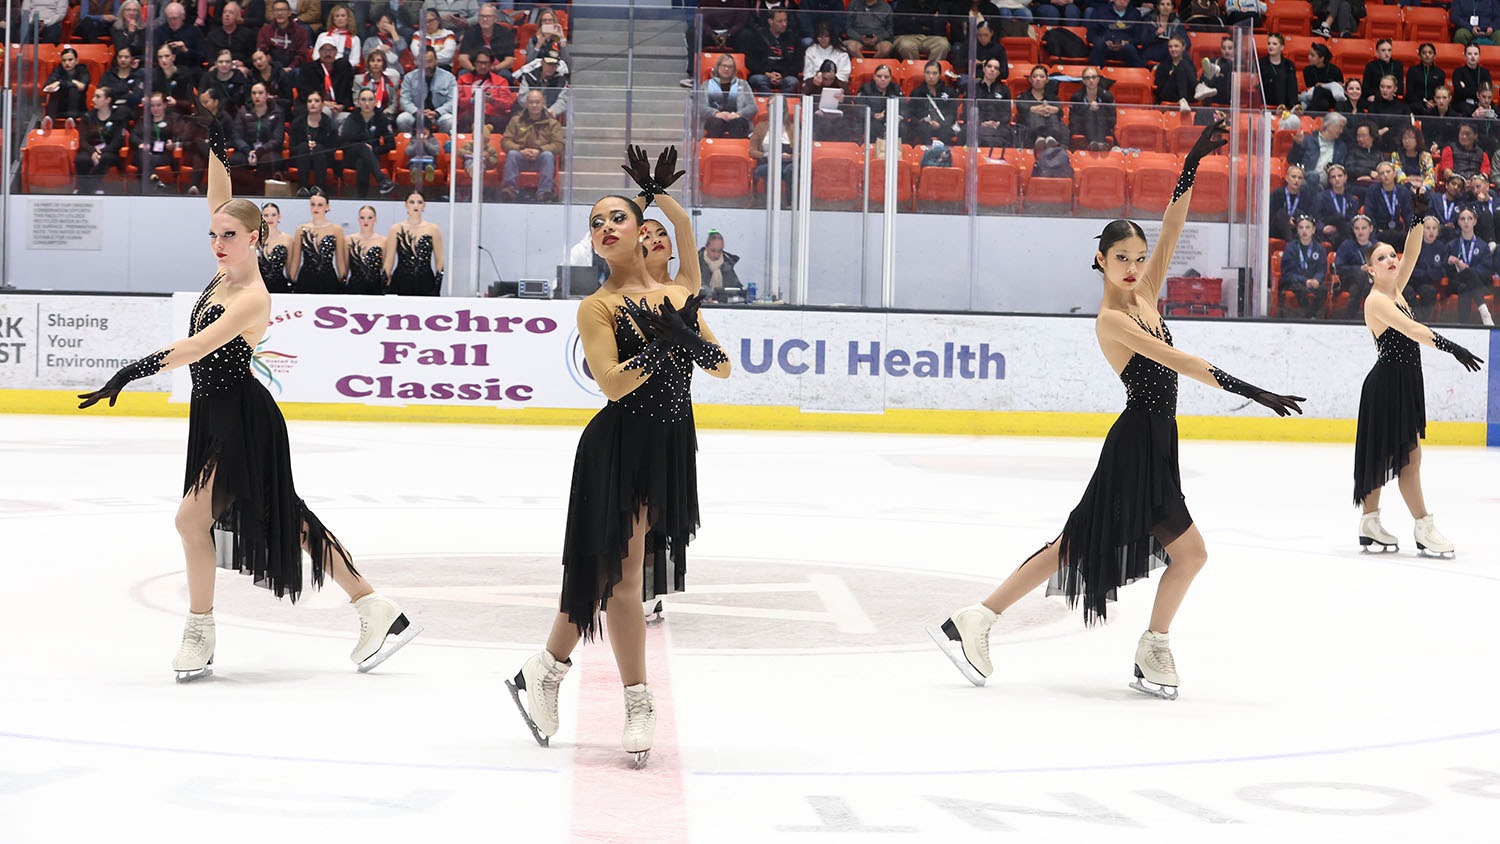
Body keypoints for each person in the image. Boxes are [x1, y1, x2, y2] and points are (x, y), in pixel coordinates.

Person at [927, 121, 1305, 700]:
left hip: (1158, 443)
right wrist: (1256, 392)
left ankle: (1147, 644)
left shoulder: (1147, 294)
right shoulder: (1112, 320)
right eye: (1121, 258)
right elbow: (1181, 362)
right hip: (1134, 444)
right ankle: (980, 619)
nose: (1133, 266)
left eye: (1138, 257)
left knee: (1182, 552)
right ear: (1100, 261)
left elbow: (1173, 226)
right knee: (1080, 543)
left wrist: (1191, 165)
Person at [76, 93, 420, 682]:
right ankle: (375, 607)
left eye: (229, 236)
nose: (217, 241)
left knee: (194, 519)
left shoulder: (251, 297)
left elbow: (191, 350)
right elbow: (220, 200)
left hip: (242, 419)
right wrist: (214, 148)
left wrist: (129, 371)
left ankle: (200, 631)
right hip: (214, 413)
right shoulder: (222, 269)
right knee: (287, 518)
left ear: (255, 239)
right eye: (213, 235)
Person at [504, 160, 732, 767]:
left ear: (640, 228)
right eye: (596, 220)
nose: (606, 225)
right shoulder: (597, 307)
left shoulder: (681, 290)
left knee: (604, 574)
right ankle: (637, 699)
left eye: (619, 217)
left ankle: (545, 670)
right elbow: (609, 384)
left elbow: (721, 366)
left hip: (671, 447)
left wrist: (658, 196)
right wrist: (661, 345)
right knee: (624, 578)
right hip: (618, 446)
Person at [1353, 214, 1485, 557]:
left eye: (1390, 255)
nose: (1390, 260)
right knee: (1408, 457)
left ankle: (1370, 522)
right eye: (1380, 258)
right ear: (1370, 270)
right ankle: (1424, 526)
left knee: (1387, 453)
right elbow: (1412, 330)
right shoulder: (1377, 301)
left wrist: (1415, 216)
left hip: (1403, 383)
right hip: (1387, 385)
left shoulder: (1393, 290)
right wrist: (1451, 347)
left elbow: (1411, 253)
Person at [499, 89, 564, 202]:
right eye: (531, 102)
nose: (534, 105)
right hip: (520, 156)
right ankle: (510, 190)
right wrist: (520, 149)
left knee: (548, 155)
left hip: (541, 157)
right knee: (512, 154)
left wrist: (540, 150)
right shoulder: (516, 121)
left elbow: (558, 145)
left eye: (537, 102)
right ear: (526, 104)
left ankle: (545, 192)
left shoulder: (553, 123)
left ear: (543, 103)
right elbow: (506, 141)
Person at [340, 88, 399, 197]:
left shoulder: (381, 118)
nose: (367, 103)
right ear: (358, 102)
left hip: (372, 157)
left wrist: (374, 150)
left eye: (370, 100)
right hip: (351, 156)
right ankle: (382, 180)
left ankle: (362, 198)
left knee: (362, 163)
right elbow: (343, 143)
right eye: (363, 100)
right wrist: (361, 146)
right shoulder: (352, 118)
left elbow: (391, 144)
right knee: (362, 148)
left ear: (375, 102)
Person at [384, 191, 445, 295]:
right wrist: (385, 284)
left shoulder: (433, 229)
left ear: (424, 205)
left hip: (426, 281)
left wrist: (437, 284)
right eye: (412, 202)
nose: (415, 205)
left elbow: (439, 260)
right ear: (406, 204)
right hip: (401, 281)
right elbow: (389, 260)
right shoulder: (396, 229)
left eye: (419, 202)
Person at [288, 190, 346, 292]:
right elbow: (295, 261)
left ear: (327, 207)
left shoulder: (336, 230)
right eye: (313, 204)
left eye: (320, 205)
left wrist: (343, 281)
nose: (316, 208)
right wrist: (291, 282)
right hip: (306, 278)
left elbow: (340, 260)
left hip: (328, 279)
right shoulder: (301, 230)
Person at [1443, 207, 1494, 322]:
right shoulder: (1451, 245)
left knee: (1465, 288)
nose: (1466, 222)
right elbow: (1445, 270)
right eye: (1462, 219)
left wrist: (1468, 270)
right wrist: (1448, 260)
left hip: (1477, 284)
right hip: (1457, 283)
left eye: (1470, 218)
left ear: (1475, 221)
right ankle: (1483, 309)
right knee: (1463, 283)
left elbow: (1486, 270)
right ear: (1458, 222)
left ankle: (1462, 325)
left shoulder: (1483, 246)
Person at [75, 88, 129, 195]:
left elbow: (117, 142)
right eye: (94, 96)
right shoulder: (88, 117)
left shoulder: (118, 117)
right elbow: (82, 139)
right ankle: (83, 188)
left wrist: (101, 151)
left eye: (98, 97)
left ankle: (87, 189)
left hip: (110, 151)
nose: (93, 99)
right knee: (81, 159)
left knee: (106, 158)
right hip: (91, 150)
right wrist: (92, 151)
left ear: (108, 100)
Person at [1279, 213, 1330, 318]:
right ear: (1297, 230)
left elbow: (1322, 269)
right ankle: (1308, 318)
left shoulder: (1319, 249)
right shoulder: (1290, 248)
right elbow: (1288, 272)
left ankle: (1312, 316)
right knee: (1301, 290)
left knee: (1323, 290)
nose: (1304, 231)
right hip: (1295, 282)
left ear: (1314, 230)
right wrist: (1304, 280)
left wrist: (1316, 279)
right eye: (1301, 227)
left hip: (1313, 281)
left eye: (1307, 227)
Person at [397, 46, 458, 133]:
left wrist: (437, 112)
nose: (426, 65)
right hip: (415, 114)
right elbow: (404, 100)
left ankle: (444, 145)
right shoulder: (409, 78)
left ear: (436, 61)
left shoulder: (449, 78)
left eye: (429, 61)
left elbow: (452, 101)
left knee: (449, 121)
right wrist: (416, 112)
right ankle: (409, 145)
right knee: (402, 119)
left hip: (439, 115)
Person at [455, 48, 516, 133]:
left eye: (486, 63)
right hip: (469, 117)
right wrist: (471, 100)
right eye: (480, 63)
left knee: (500, 121)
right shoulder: (463, 79)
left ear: (491, 64)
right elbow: (457, 101)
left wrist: (493, 100)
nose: (483, 66)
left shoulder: (501, 81)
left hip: (493, 118)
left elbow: (508, 103)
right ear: (474, 63)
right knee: (465, 119)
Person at [698, 53, 757, 139]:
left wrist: (738, 114)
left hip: (737, 119)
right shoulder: (706, 84)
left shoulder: (743, 84)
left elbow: (752, 107)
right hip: (715, 119)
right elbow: (700, 106)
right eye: (724, 66)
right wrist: (715, 113)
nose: (726, 69)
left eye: (730, 67)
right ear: (718, 67)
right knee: (715, 123)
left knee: (738, 123)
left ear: (734, 69)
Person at [751, 98, 798, 204]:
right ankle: (767, 203)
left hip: (788, 162)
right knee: (766, 170)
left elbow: (802, 152)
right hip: (768, 161)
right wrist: (766, 154)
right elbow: (752, 150)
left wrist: (790, 156)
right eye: (770, 106)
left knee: (790, 170)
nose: (772, 108)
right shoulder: (760, 126)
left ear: (783, 108)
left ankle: (791, 203)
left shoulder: (793, 128)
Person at [903, 59, 960, 146]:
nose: (931, 76)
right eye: (928, 73)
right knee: (919, 130)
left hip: (944, 126)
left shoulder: (949, 92)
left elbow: (952, 114)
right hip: (923, 127)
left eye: (934, 73)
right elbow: (911, 114)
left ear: (940, 75)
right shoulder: (917, 92)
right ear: (924, 74)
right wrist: (923, 122)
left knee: (946, 133)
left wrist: (940, 124)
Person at [746, 8, 802, 94]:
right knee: (760, 80)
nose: (784, 24)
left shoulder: (793, 38)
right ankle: (767, 105)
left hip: (785, 75)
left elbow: (797, 64)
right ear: (770, 21)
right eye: (780, 21)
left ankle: (784, 106)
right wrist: (767, 74)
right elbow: (751, 62)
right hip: (763, 74)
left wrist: (782, 75)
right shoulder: (758, 37)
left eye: (785, 20)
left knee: (792, 82)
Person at [1334, 214, 1378, 316]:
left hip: (1372, 281)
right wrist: (1358, 269)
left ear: (1370, 229)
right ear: (1353, 230)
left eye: (1364, 228)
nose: (1360, 231)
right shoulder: (1346, 245)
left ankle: (1351, 317)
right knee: (1360, 277)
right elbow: (1339, 266)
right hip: (1349, 280)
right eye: (1357, 228)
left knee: (1356, 288)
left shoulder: (1378, 247)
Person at [1290, 112, 1347, 190]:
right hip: (1305, 181)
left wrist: (1332, 170)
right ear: (1328, 125)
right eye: (1339, 127)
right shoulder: (1308, 140)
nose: (1341, 131)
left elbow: (1341, 168)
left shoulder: (1340, 147)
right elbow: (1292, 160)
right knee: (1313, 176)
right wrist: (1297, 145)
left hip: (1326, 187)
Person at [458, 3, 518, 77]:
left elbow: (509, 60)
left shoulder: (505, 33)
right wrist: (474, 69)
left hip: (498, 68)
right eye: (482, 16)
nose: (484, 19)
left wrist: (495, 68)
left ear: (495, 18)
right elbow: (462, 58)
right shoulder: (470, 32)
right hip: (474, 68)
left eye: (488, 16)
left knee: (506, 75)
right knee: (462, 74)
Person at [1367, 161, 1416, 248]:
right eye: (1382, 173)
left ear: (1394, 173)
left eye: (1388, 172)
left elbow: (1409, 214)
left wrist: (1411, 235)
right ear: (1378, 177)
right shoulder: (1373, 191)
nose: (1385, 175)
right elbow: (1369, 214)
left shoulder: (1403, 191)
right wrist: (1373, 234)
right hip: (1380, 232)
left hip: (1398, 232)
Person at [1016, 64, 1066, 147]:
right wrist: (1034, 109)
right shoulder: (1023, 96)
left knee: (1054, 118)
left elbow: (1060, 111)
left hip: (1051, 130)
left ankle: (1052, 139)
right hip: (1029, 133)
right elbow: (1021, 109)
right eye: (1035, 76)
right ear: (1030, 79)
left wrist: (1051, 109)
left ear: (1047, 80)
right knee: (1033, 114)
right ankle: (1039, 137)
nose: (1038, 79)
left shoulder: (1053, 97)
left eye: (1042, 77)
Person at [1086, 0, 1146, 69]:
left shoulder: (1135, 14)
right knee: (1099, 45)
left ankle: (1137, 77)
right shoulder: (1100, 11)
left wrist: (1126, 42)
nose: (1122, 1)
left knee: (1130, 49)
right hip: (1104, 46)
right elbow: (1091, 34)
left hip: (1125, 48)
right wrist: (1103, 41)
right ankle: (1095, 75)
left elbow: (1139, 37)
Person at [1068, 67, 1116, 149]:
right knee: (1090, 112)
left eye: (1093, 77)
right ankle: (1098, 143)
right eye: (1087, 78)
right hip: (1082, 127)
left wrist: (1099, 109)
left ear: (1098, 79)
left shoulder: (1107, 96)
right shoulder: (1076, 97)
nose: (1091, 80)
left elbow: (1112, 120)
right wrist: (1088, 109)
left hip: (1103, 127)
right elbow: (1073, 120)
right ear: (1083, 81)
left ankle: (1097, 143)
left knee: (1098, 111)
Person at [516, 48, 571, 119]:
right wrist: (536, 109)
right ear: (542, 62)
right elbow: (522, 98)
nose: (551, 67)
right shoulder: (529, 77)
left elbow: (563, 100)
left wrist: (551, 111)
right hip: (528, 114)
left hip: (550, 115)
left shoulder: (561, 81)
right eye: (549, 64)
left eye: (554, 65)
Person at [345, 205, 388, 294]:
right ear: (358, 219)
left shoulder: (383, 241)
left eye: (370, 218)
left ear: (375, 219)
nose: (366, 221)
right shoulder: (348, 240)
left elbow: (385, 268)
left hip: (376, 288)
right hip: (354, 287)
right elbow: (345, 269)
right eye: (362, 218)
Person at [1270, 163, 1319, 241]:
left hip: (1298, 229)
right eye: (1293, 177)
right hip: (1278, 230)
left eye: (1300, 178)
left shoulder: (1306, 196)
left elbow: (1310, 216)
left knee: (1301, 215)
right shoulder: (1277, 194)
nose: (1296, 180)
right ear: (1286, 178)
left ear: (1303, 181)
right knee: (1281, 214)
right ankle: (1291, 243)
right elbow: (1271, 216)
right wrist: (1287, 220)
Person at [42, 48, 91, 123]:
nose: (67, 63)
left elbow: (82, 86)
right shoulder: (58, 70)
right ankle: (49, 120)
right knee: (56, 90)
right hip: (60, 108)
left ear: (76, 61)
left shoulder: (82, 70)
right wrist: (72, 82)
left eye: (70, 60)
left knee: (73, 88)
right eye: (64, 61)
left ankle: (71, 120)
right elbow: (47, 87)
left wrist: (60, 82)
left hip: (78, 109)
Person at [1317, 162, 1360, 246]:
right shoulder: (1321, 197)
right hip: (1327, 233)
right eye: (1333, 177)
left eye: (1340, 176)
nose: (1337, 179)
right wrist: (1322, 228)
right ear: (1329, 180)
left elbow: (1353, 220)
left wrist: (1339, 229)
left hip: (1345, 232)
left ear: (1345, 177)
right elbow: (1316, 217)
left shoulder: (1352, 200)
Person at [155, 1, 207, 71]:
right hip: (164, 69)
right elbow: (152, 55)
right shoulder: (159, 31)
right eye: (169, 19)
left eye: (175, 18)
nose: (172, 22)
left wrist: (186, 50)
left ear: (183, 16)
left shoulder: (194, 31)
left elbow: (202, 57)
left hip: (188, 69)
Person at [975, 58, 1015, 148]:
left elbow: (1007, 113)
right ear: (984, 69)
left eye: (996, 68)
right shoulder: (973, 88)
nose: (992, 69)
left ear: (998, 73)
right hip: (978, 126)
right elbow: (968, 111)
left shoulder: (1004, 90)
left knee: (1008, 133)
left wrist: (997, 123)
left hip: (998, 127)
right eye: (989, 66)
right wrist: (981, 123)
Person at [697, 229, 746, 302]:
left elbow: (737, 289)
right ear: (706, 247)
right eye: (713, 250)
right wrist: (707, 295)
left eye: (719, 251)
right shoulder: (696, 264)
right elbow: (692, 287)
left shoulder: (727, 266)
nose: (716, 255)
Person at [200, 49, 252, 116]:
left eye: (227, 62)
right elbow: (201, 97)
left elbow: (246, 96)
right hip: (213, 114)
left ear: (231, 64)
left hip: (236, 113)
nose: (224, 64)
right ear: (216, 63)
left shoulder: (238, 75)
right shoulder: (208, 77)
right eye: (221, 62)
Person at [259, 0, 310, 69]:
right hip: (271, 67)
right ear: (273, 13)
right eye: (276, 10)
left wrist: (290, 67)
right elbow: (262, 50)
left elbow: (302, 54)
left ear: (289, 13)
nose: (279, 13)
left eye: (283, 10)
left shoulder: (300, 31)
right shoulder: (265, 30)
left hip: (293, 67)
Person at [354, 47, 402, 120]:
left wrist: (386, 112)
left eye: (379, 61)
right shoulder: (359, 79)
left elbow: (394, 103)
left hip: (385, 116)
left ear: (384, 63)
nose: (375, 64)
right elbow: (357, 101)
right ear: (368, 63)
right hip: (365, 116)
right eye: (372, 61)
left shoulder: (392, 80)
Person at [208, 2, 259, 68]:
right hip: (219, 66)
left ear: (238, 16)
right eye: (224, 12)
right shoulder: (213, 35)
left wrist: (243, 63)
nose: (227, 15)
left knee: (242, 71)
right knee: (211, 70)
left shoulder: (248, 34)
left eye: (231, 13)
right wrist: (216, 63)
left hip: (240, 67)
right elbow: (210, 58)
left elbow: (253, 56)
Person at [259, 200, 295, 293]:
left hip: (280, 287)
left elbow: (290, 270)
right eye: (266, 215)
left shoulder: (287, 239)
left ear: (279, 217)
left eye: (273, 215)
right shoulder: (255, 239)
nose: (270, 218)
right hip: (259, 287)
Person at [1152, 35, 1197, 109]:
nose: (1173, 49)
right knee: (1180, 67)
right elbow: (1159, 88)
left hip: (1187, 93)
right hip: (1168, 94)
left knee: (1182, 64)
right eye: (1170, 47)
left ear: (1183, 47)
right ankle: (1194, 90)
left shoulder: (1189, 65)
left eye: (1176, 46)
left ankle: (1183, 99)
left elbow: (1191, 82)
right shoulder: (1163, 66)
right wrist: (1172, 76)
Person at [313, 3, 362, 69]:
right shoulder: (323, 36)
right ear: (333, 19)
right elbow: (315, 56)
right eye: (337, 16)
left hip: (344, 70)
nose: (340, 18)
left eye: (343, 16)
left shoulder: (355, 39)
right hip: (324, 68)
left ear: (348, 18)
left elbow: (355, 60)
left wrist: (339, 66)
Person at [1258, 32, 1298, 111]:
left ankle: (1292, 107)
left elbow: (1293, 87)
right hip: (1267, 101)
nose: (1270, 46)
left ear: (1282, 47)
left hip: (1286, 104)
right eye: (1269, 43)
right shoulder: (1260, 63)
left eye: (1274, 44)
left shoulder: (1289, 65)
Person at [100, 46, 147, 113]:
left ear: (132, 58)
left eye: (126, 57)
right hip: (108, 108)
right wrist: (126, 92)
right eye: (120, 57)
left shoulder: (137, 75)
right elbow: (102, 91)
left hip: (129, 109)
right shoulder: (109, 74)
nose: (122, 60)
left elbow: (136, 96)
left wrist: (114, 93)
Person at [803, 21, 851, 86]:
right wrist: (817, 79)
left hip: (836, 85)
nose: (823, 39)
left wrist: (830, 79)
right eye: (820, 36)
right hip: (816, 85)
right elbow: (807, 74)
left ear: (831, 36)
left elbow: (844, 74)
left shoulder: (841, 52)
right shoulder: (811, 51)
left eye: (826, 36)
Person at [1300, 43, 1344, 115]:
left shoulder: (1335, 70)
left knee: (1319, 89)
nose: (1309, 57)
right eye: (1309, 54)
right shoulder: (1307, 70)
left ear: (1321, 58)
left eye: (1312, 55)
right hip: (1315, 98)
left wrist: (1324, 85)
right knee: (1323, 103)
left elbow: (1339, 87)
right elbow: (1310, 87)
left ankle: (1309, 116)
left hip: (1332, 97)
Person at [1141, 0, 1186, 66]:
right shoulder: (1149, 20)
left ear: (1172, 7)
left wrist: (1175, 39)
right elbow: (1143, 41)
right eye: (1162, 4)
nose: (1165, 7)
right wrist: (1155, 33)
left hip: (1171, 51)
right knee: (1171, 49)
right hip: (1153, 50)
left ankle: (1189, 74)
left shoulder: (1176, 21)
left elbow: (1187, 42)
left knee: (1182, 53)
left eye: (1168, 4)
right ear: (1158, 7)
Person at [1406, 43, 1444, 114]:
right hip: (1416, 103)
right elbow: (1410, 93)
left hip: (1433, 103)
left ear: (1434, 56)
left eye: (1430, 53)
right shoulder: (1412, 71)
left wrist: (1432, 101)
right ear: (1419, 56)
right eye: (1424, 53)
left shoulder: (1440, 73)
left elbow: (1440, 92)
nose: (1427, 55)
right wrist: (1424, 103)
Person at [1451, 44, 1492, 110]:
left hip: (1482, 103)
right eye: (1469, 54)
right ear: (1465, 55)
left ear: (1479, 56)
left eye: (1475, 54)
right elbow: (1459, 92)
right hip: (1462, 104)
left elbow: (1487, 91)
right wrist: (1478, 89)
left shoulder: (1485, 72)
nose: (1473, 56)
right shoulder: (1458, 72)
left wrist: (1466, 88)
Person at [1346, 121, 1385, 186]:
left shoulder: (1380, 155)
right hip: (1356, 185)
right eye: (1358, 136)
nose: (1360, 139)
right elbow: (1349, 169)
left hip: (1376, 184)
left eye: (1363, 136)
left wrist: (1372, 179)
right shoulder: (1352, 152)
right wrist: (1369, 172)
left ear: (1372, 137)